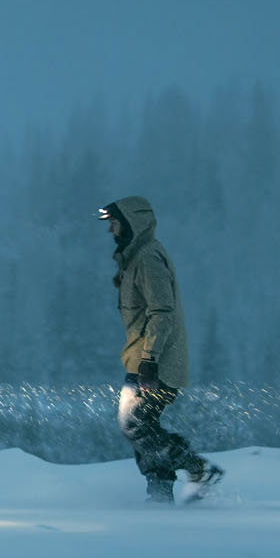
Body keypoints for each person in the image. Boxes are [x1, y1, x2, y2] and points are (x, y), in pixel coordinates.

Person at [99, 196, 222, 503]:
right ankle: (160, 496)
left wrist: (150, 359)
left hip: (155, 361)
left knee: (135, 424)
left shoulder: (148, 258)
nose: (110, 230)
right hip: (143, 359)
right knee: (144, 427)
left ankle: (197, 468)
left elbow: (162, 312)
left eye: (114, 223)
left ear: (132, 224)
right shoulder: (136, 257)